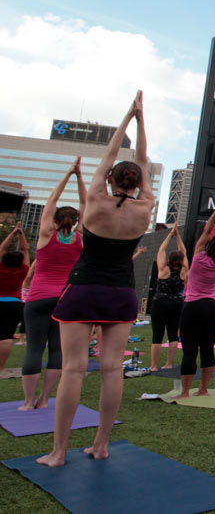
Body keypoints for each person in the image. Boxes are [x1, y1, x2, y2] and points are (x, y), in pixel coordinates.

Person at [38, 91, 156, 467]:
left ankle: (58, 452)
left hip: (84, 289)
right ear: (138, 184)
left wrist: (128, 116)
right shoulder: (145, 208)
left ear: (109, 179)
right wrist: (142, 120)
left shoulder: (94, 200)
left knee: (73, 368)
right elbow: (141, 160)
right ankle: (101, 445)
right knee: (111, 368)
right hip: (121, 293)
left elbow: (110, 156)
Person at [21, 158, 85, 411]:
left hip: (37, 298)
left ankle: (28, 402)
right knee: (57, 351)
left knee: (33, 349)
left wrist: (69, 174)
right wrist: (80, 179)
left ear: (55, 221)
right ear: (77, 221)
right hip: (64, 299)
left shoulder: (46, 235)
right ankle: (45, 399)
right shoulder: (80, 239)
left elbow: (50, 202)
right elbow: (86, 204)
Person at [176, 196, 215, 399]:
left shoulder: (199, 258)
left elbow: (208, 231)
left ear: (208, 247)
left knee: (190, 350)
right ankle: (203, 389)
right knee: (208, 348)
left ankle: (184, 392)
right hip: (212, 308)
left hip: (193, 306)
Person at [150, 227, 188, 370]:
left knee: (157, 334)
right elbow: (183, 252)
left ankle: (154, 365)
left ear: (169, 260)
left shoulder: (163, 269)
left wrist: (170, 235)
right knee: (173, 334)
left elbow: (161, 251)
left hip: (161, 302)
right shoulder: (184, 272)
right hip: (177, 302)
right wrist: (178, 237)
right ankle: (169, 364)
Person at [1, 227, 30, 370]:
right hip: (15, 304)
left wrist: (12, 233)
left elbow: (2, 248)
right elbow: (25, 250)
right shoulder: (23, 270)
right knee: (6, 336)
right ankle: (1, 367)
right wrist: (21, 235)